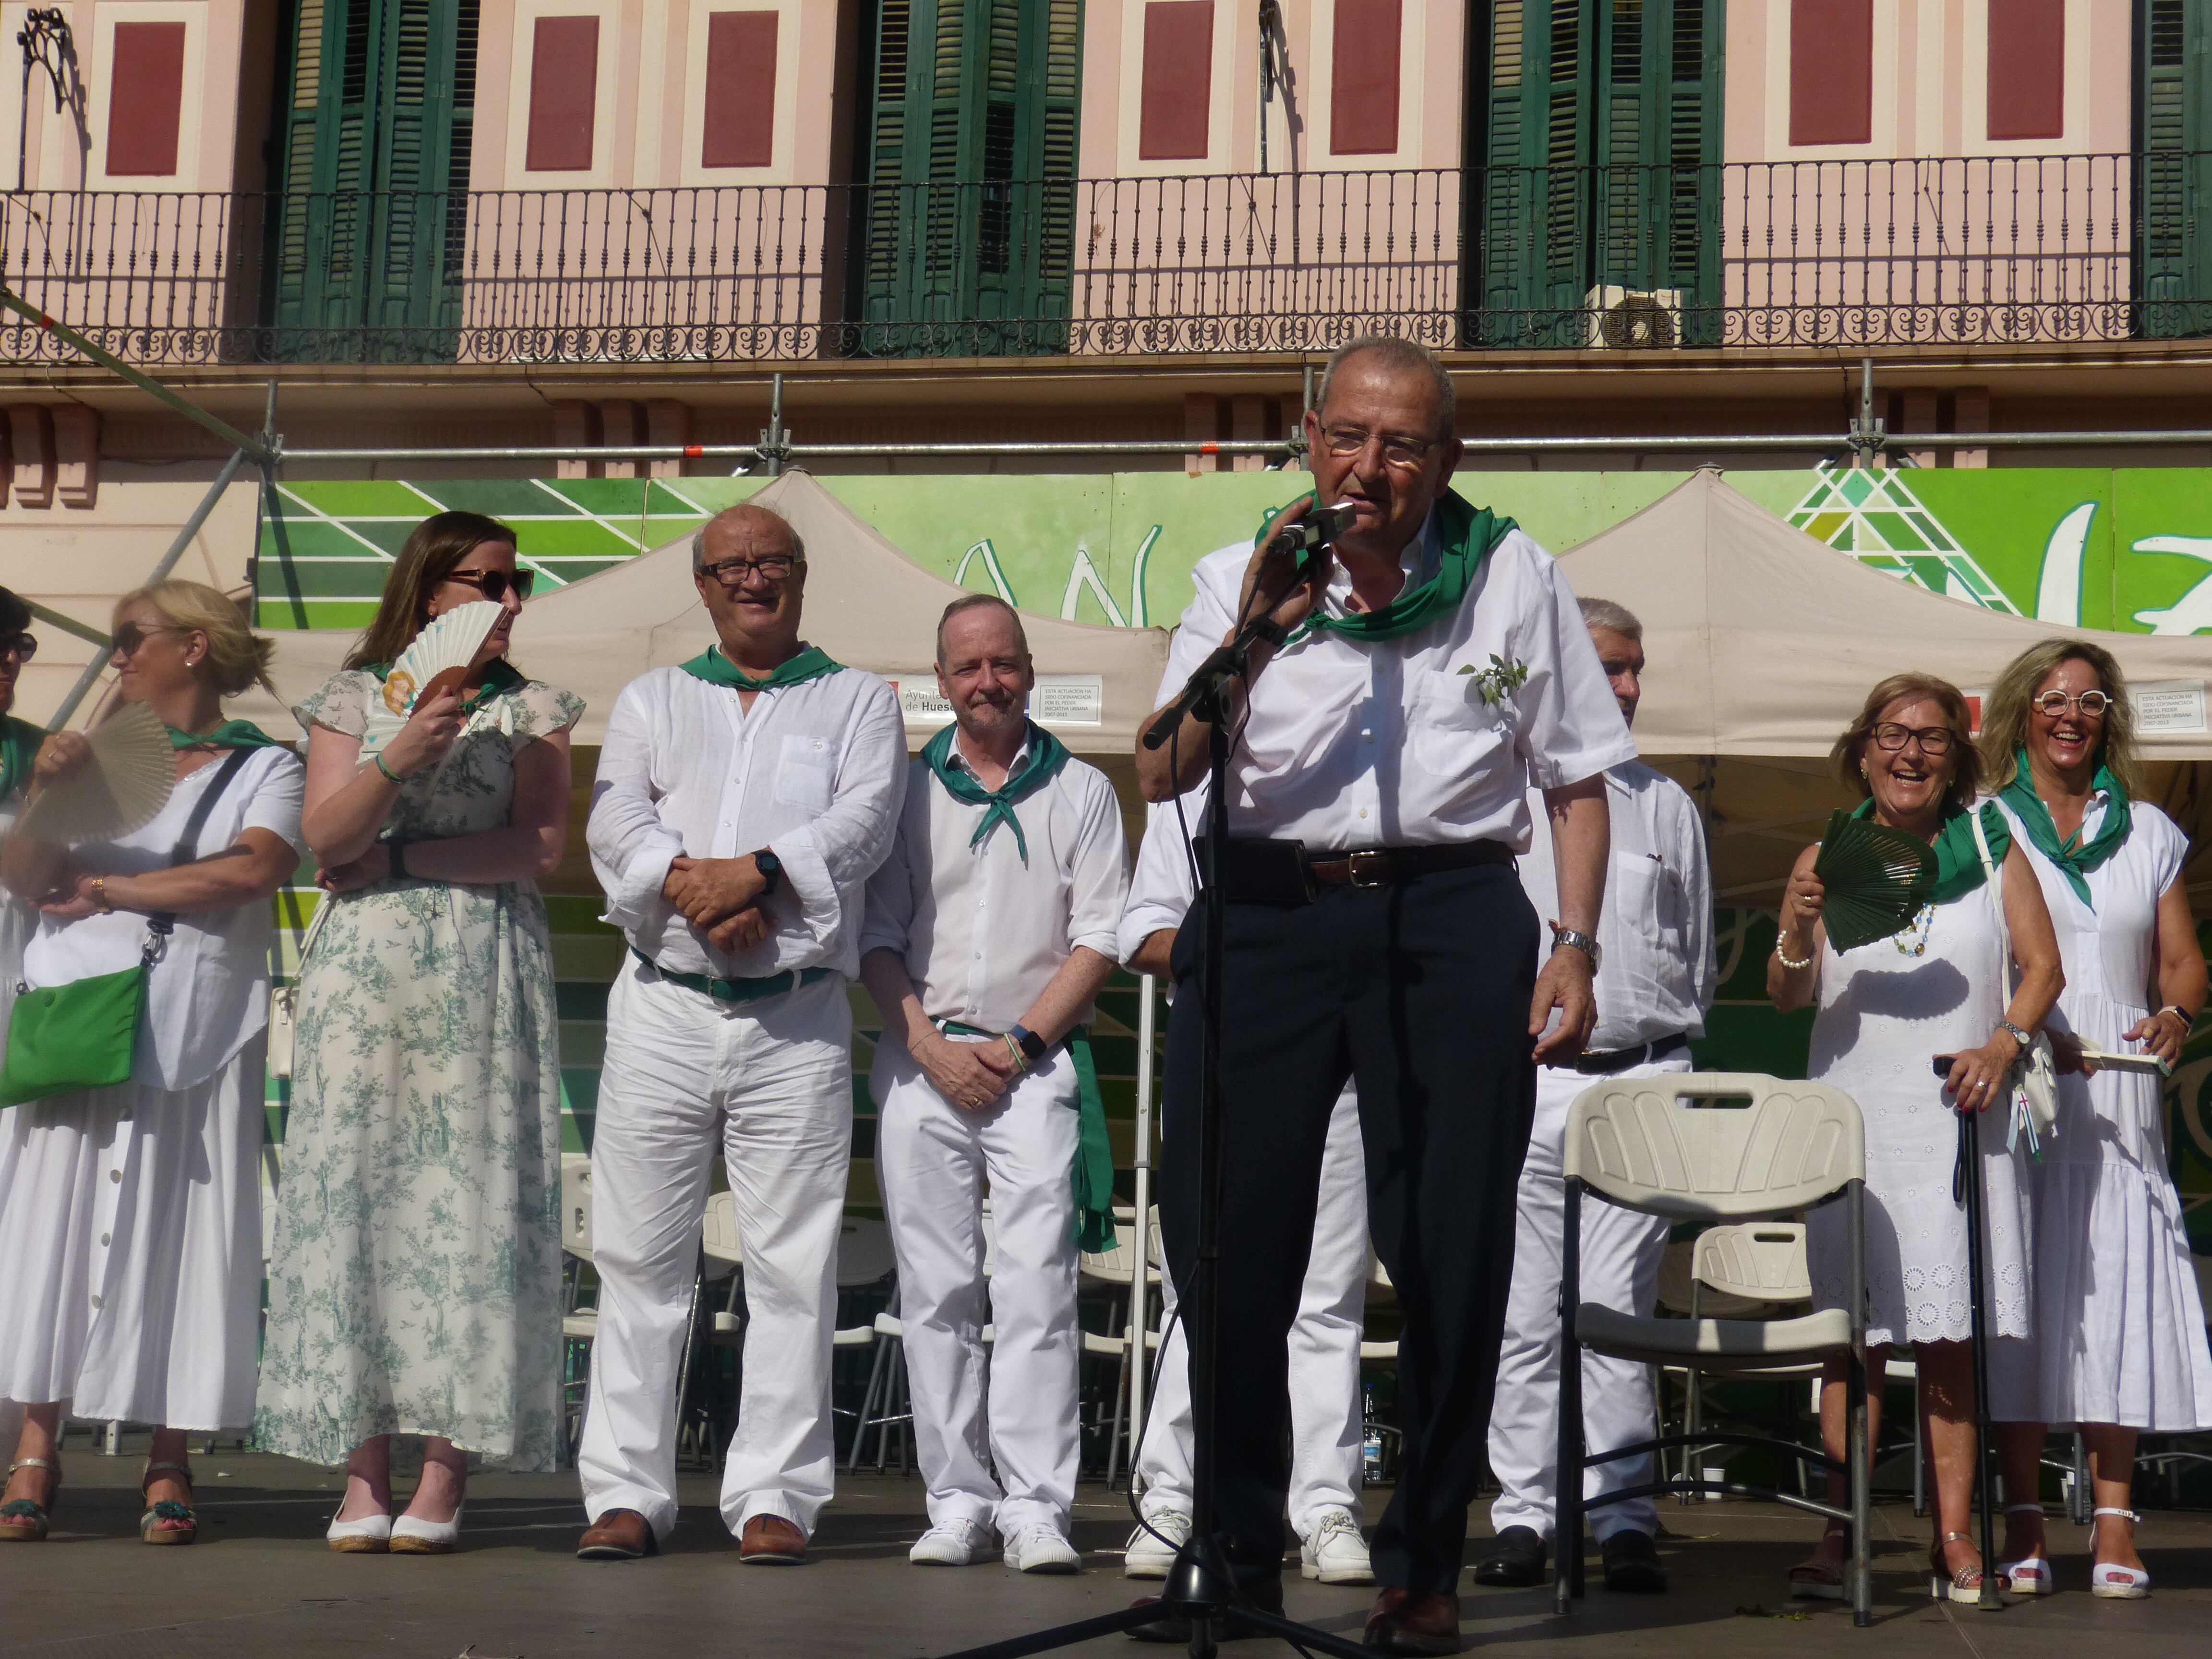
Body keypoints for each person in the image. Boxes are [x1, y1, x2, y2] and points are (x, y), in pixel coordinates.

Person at [1135, 335, 1633, 1655]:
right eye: (1348, 438)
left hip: (1452, 911)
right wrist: (1260, 621)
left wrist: (1574, 943)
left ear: (1445, 459)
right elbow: (1163, 772)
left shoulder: (1511, 578)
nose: (1370, 467)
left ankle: (1422, 1560)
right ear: (1309, 440)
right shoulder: (1243, 580)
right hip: (1266, 916)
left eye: (1403, 444)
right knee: (1229, 1242)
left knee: (1453, 1246)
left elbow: (1577, 779)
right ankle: (1235, 1549)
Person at [575, 502, 904, 1565]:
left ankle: (776, 1495)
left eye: (772, 562)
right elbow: (614, 820)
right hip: (664, 1009)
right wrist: (698, 889)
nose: (752, 578)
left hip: (797, 1019)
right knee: (639, 1258)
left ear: (801, 576)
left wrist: (756, 873)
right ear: (704, 584)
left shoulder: (857, 700)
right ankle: (627, 1493)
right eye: (731, 565)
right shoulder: (652, 696)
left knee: (792, 1265)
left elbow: (863, 826)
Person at [256, 511, 580, 1553]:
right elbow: (323, 836)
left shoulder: (532, 708)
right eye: (489, 582)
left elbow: (536, 848)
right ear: (431, 593)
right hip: (367, 976)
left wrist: (399, 863)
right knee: (357, 1194)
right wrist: (398, 756)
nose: (511, 601)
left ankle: (446, 1471)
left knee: (470, 1200)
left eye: (517, 581)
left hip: (481, 961)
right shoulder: (353, 699)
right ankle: (362, 1473)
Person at [0, 582, 304, 1545]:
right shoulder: (89, 758)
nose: (117, 656)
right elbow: (20, 876)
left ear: (194, 648)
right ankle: (35, 1449)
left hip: (195, 1015)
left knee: (185, 1223)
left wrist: (112, 888)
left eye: (132, 639)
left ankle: (168, 1455)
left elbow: (254, 870)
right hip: (75, 1010)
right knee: (54, 1224)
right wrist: (52, 793)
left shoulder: (268, 765)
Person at [1767, 673, 2062, 1602]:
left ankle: (1952, 1541)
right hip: (1852, 1120)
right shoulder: (1824, 854)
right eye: (1895, 735)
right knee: (1847, 1344)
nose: (1912, 753)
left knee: (1947, 1342)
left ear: (1956, 757)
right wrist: (1795, 930)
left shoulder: (1989, 840)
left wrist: (2003, 1043)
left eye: (1933, 738)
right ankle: (1839, 1534)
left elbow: (2043, 968)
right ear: (1864, 749)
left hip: (1953, 1115)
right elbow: (1786, 997)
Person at [858, 594, 1129, 1574]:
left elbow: (1102, 935)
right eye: (968, 668)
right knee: (935, 1291)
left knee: (1036, 1291)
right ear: (942, 681)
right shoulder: (901, 793)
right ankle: (956, 1498)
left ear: (1028, 668)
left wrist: (1015, 1048)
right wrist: (928, 1047)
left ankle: (1037, 1505)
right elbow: (877, 938)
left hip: (1033, 1065)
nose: (989, 683)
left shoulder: (1084, 792)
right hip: (922, 1063)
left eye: (1005, 664)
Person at [1477, 597, 1715, 1596]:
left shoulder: (1667, 803)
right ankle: (1525, 1515)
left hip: (1645, 1076)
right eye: (1610, 668)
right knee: (1526, 1312)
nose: (1626, 688)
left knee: (1613, 1307)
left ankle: (1622, 1515)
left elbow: (1694, 963)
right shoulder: (1495, 796)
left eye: (1636, 669)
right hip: (1525, 1083)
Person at [1980, 640, 2212, 1599]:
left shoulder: (2150, 830)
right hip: (2029, 1101)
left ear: (2107, 716)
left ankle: (2116, 1520)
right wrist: (2025, 1032)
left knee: (2118, 1296)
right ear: (2021, 713)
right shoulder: (1985, 824)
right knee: (2030, 1301)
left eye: (2089, 700)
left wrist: (2176, 1015)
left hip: (2120, 1105)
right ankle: (2026, 1517)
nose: (2071, 715)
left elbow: (2184, 961)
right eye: (2053, 698)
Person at [1117, 781, 1377, 1591]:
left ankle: (1324, 1503)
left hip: (1345, 1071)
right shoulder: (1190, 792)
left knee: (1328, 1295)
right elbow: (1144, 932)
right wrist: (1255, 942)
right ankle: (1176, 1495)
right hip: (1240, 1050)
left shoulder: (1362, 788)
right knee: (1209, 1291)